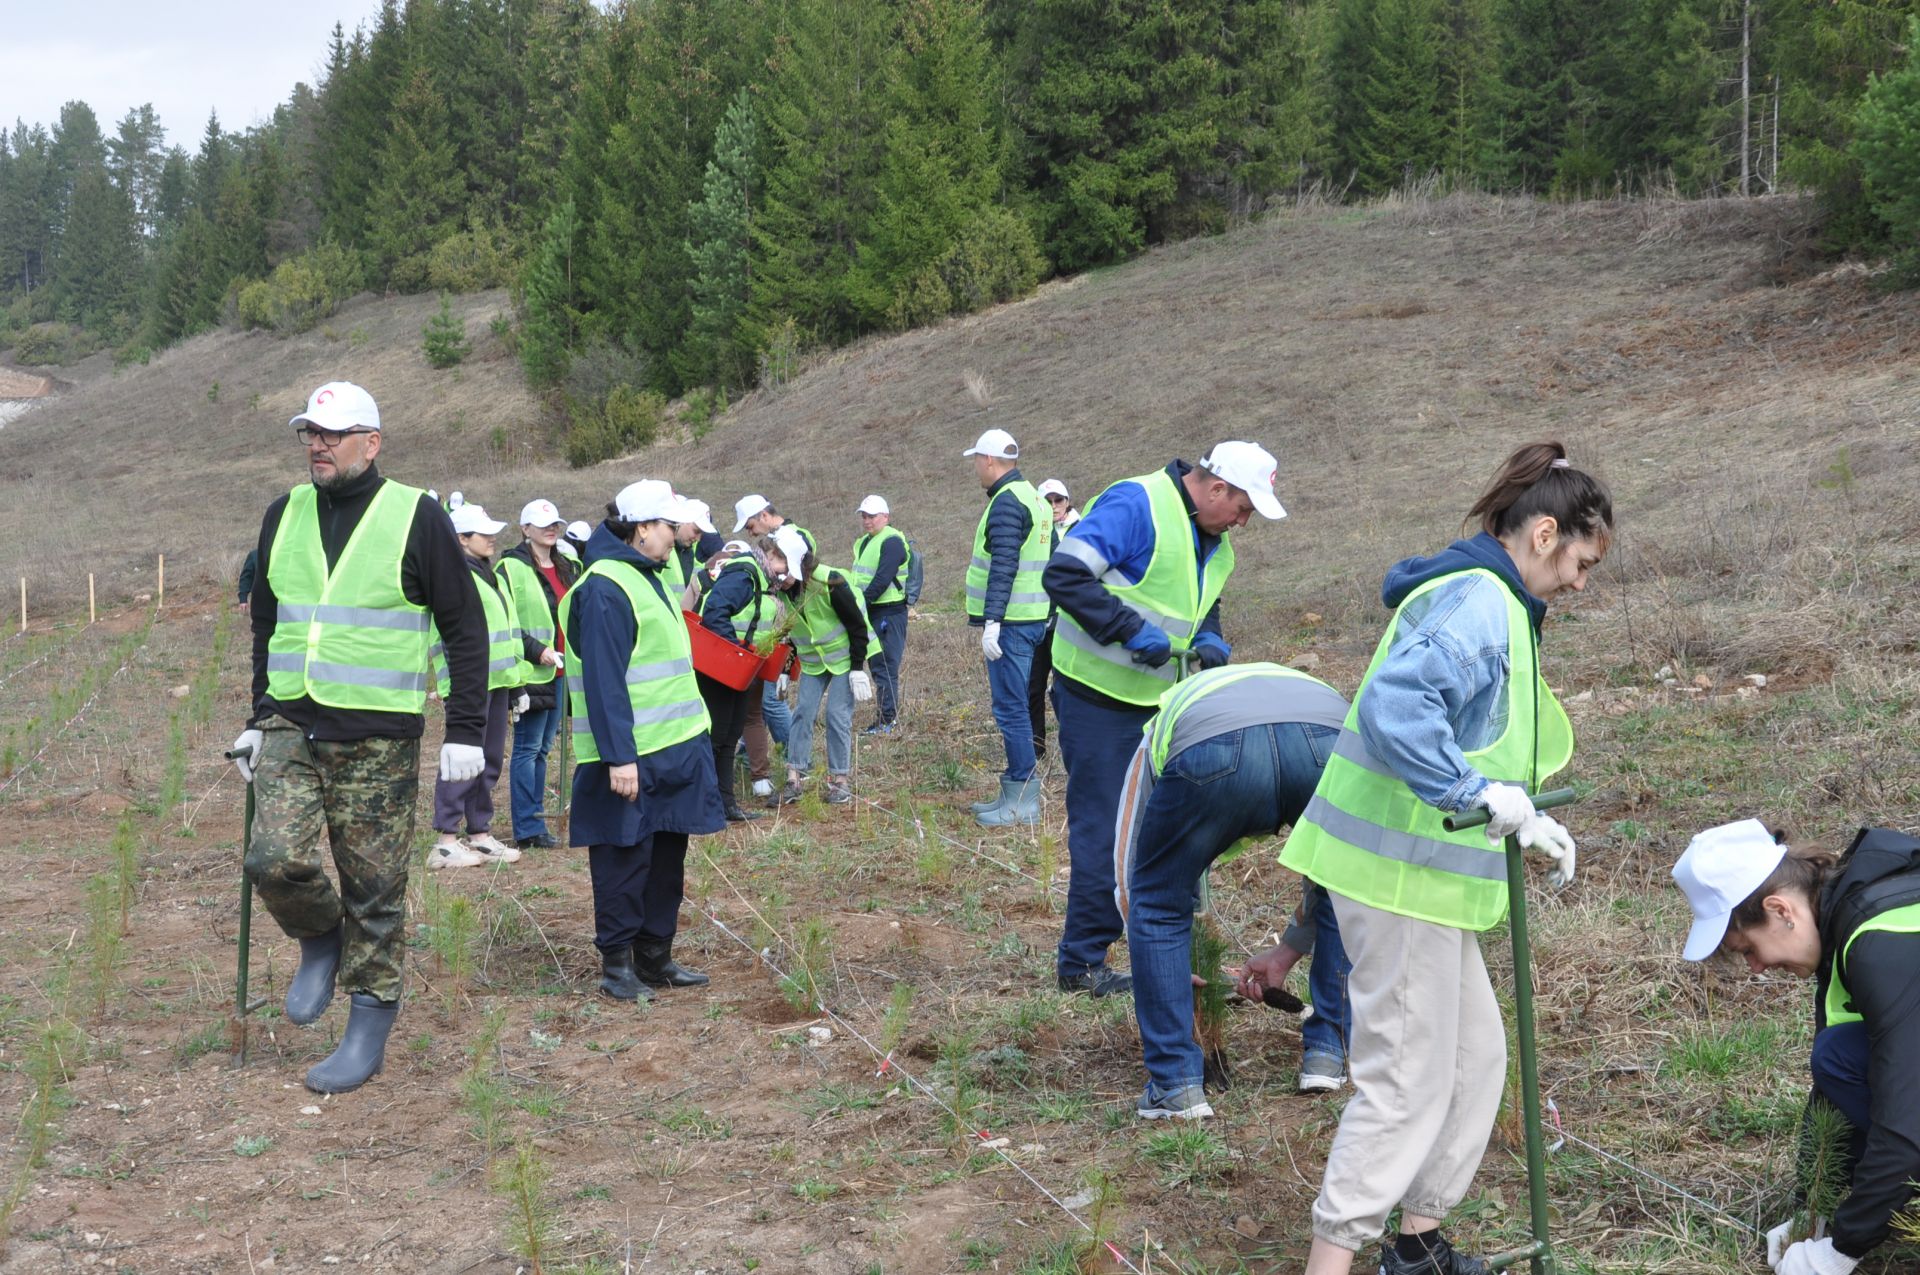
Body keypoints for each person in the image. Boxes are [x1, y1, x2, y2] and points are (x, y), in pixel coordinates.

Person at [1276, 442, 1608, 1275]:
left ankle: (1418, 1246)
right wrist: (1476, 795)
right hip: (1397, 882)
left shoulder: (1493, 600)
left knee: (1474, 1060)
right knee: (1407, 1080)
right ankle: (1332, 1260)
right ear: (1543, 533)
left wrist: (1519, 816)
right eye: (1581, 560)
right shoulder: (1479, 601)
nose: (1580, 582)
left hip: (1426, 882)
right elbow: (1396, 706)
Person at [230, 381, 489, 1094]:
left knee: (375, 886)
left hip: (377, 736)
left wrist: (465, 729)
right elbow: (267, 622)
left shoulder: (417, 516)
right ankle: (320, 935)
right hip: (291, 720)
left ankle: (368, 1019)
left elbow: (464, 628)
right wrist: (258, 717)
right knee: (273, 857)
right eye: (309, 430)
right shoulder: (283, 512)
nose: (316, 442)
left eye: (332, 432)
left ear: (370, 442)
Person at [1041, 441, 1284, 996]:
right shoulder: (1138, 506)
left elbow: (1202, 600)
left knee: (1161, 828)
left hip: (1163, 706)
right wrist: (1126, 629)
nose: (1244, 522)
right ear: (1216, 487)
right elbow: (1066, 575)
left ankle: (1162, 948)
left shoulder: (1215, 540)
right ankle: (1081, 964)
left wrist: (1208, 635)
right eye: (1244, 508)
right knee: (1106, 832)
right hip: (1097, 699)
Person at [1673, 820, 1920, 1275]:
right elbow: (1838, 1087)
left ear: (1779, 909)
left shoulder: (1881, 944)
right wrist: (1812, 1211)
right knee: (1840, 1054)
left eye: (1748, 948)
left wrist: (1841, 1249)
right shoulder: (1850, 924)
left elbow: (1909, 1122)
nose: (1756, 968)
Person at [1111, 662, 1354, 1119]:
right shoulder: (1306, 687)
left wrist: (1157, 954)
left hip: (1212, 749)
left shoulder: (1163, 723)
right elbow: (1335, 872)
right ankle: (1328, 1053)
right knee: (1346, 885)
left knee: (1158, 902)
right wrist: (1288, 951)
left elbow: (1132, 867)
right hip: (1328, 740)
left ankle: (1176, 1088)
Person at [560, 480, 726, 1001]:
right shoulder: (605, 587)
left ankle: (656, 957)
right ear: (641, 530)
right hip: (630, 757)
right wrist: (619, 758)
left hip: (674, 747)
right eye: (667, 526)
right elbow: (605, 683)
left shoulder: (650, 574)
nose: (676, 535)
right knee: (623, 861)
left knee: (666, 860)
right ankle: (617, 967)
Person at [429, 504, 560, 866]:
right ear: (461, 539)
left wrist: (517, 684)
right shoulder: (454, 577)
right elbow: (454, 637)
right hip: (468, 684)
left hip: (497, 682)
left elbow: (509, 634)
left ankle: (479, 833)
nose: (492, 538)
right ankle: (446, 838)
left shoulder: (492, 577)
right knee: (460, 757)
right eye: (482, 533)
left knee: (487, 759)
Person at [962, 429, 1054, 827]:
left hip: (1013, 623)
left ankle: (1022, 798)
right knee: (1017, 704)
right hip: (1033, 619)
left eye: (977, 461)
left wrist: (992, 620)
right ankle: (1012, 792)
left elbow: (1004, 566)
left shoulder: (1006, 503)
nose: (976, 468)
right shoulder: (1035, 497)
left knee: (1011, 708)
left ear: (989, 460)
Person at [762, 526, 872, 806]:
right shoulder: (785, 593)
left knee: (837, 715)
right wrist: (786, 670)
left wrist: (858, 668)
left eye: (779, 567)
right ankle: (794, 779)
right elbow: (791, 633)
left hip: (844, 661)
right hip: (813, 664)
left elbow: (857, 626)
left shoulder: (829, 583)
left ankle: (840, 781)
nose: (777, 578)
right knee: (803, 713)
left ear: (795, 562)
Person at [496, 498, 576, 849]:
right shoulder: (510, 568)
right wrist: (536, 650)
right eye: (542, 524)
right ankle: (527, 828)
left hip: (561, 670)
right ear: (525, 529)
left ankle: (538, 820)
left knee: (543, 749)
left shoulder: (568, 565)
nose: (551, 528)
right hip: (531, 670)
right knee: (527, 749)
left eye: (555, 523)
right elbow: (505, 620)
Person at [696, 538, 778, 823]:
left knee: (731, 735)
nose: (783, 574)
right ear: (770, 555)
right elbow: (714, 611)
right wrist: (736, 652)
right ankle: (706, 805)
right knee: (716, 736)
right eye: (782, 565)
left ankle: (725, 804)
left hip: (739, 668)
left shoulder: (757, 578)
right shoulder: (744, 575)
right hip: (719, 667)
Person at [851, 494, 910, 736]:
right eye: (864, 516)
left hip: (888, 612)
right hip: (870, 611)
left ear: (885, 517)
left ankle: (887, 720)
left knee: (884, 665)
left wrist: (858, 603)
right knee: (876, 665)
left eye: (872, 516)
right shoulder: (865, 541)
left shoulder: (892, 541)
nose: (867, 521)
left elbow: (882, 579)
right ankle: (884, 717)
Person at [1027, 479, 1077, 759]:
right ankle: (1036, 748)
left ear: (1067, 501)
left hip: (1066, 622)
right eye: (1048, 501)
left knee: (1063, 687)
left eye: (1059, 500)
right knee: (1032, 686)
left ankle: (1072, 744)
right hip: (1036, 619)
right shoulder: (1034, 530)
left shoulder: (1083, 529)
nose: (1054, 506)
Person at [733, 493, 817, 557]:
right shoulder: (777, 539)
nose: (751, 534)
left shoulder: (795, 536)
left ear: (764, 515)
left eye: (750, 527)